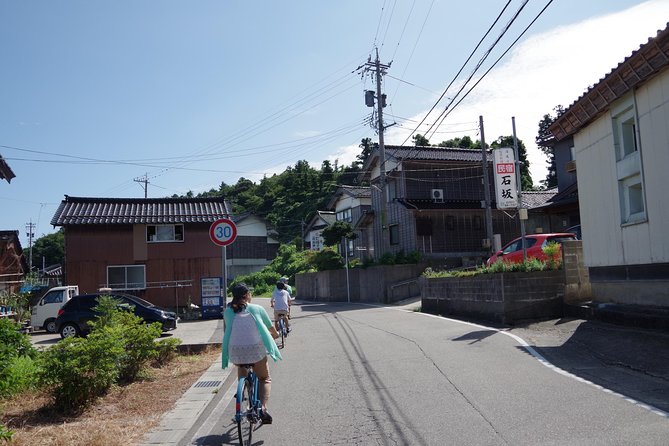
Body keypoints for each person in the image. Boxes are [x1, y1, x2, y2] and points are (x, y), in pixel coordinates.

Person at [222, 283, 281, 424]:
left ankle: (242, 387)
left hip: (235, 351)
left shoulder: (227, 311)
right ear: (247, 294)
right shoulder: (257, 309)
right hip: (255, 350)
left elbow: (230, 330)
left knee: (242, 365)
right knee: (264, 378)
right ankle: (263, 409)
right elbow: (270, 328)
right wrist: (276, 335)